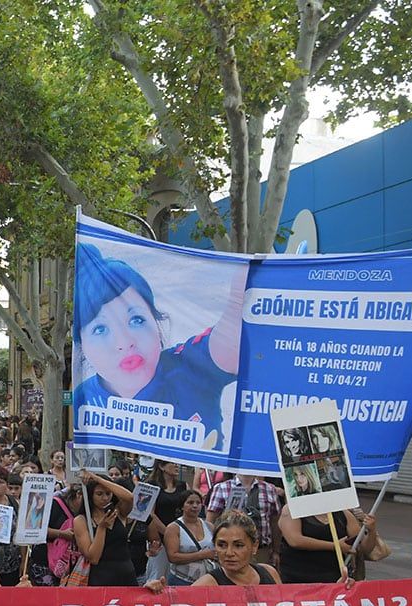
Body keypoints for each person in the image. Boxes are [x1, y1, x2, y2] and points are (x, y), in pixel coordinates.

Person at [72, 242, 243, 450]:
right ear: (83, 348)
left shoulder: (188, 368)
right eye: (100, 329)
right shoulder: (84, 398)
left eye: (136, 320)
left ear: (157, 322)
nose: (125, 342)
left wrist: (238, 301)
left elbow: (227, 345)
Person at [276, 502, 376, 585]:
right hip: (296, 576)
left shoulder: (344, 514)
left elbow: (362, 548)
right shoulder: (292, 509)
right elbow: (295, 540)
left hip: (333, 578)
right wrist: (335, 546)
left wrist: (372, 531)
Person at [72, 472, 138, 586]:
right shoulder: (81, 520)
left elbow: (130, 497)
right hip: (101, 576)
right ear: (90, 495)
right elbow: (93, 557)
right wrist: (102, 528)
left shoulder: (118, 512)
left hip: (127, 574)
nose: (105, 498)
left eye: (108, 493)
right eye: (99, 494)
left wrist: (98, 478)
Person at [206, 473, 282, 566]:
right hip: (230, 550)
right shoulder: (222, 488)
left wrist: (276, 551)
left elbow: (275, 523)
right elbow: (210, 522)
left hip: (262, 551)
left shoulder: (269, 489)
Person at [161, 491, 216, 586]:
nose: (195, 506)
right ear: (182, 506)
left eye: (198, 503)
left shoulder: (209, 526)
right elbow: (172, 557)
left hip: (207, 580)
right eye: (190, 503)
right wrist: (202, 555)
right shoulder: (173, 528)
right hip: (181, 580)